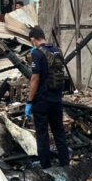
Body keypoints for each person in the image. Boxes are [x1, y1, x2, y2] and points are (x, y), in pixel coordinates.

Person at [25, 26, 70, 169]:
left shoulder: (37, 54)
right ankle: (65, 164)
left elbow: (35, 79)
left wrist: (29, 101)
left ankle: (46, 166)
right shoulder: (57, 50)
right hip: (56, 100)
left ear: (33, 39)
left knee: (42, 134)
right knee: (59, 133)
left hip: (42, 101)